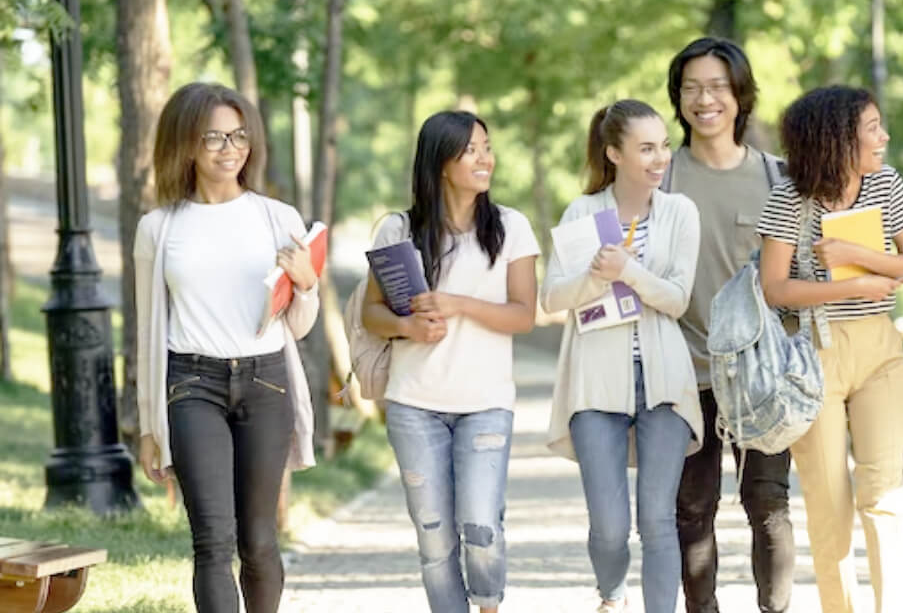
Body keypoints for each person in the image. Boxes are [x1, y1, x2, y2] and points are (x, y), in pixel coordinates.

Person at [135, 82, 319, 613]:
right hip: (191, 384)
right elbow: (149, 330)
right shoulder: (158, 228)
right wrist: (149, 426)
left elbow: (299, 326)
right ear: (185, 144)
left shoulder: (277, 218)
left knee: (258, 541)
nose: (228, 148)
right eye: (213, 136)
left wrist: (305, 282)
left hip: (265, 382)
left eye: (238, 135)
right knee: (211, 542)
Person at [757, 86, 903, 613]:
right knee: (829, 502)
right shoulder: (790, 199)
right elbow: (774, 289)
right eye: (872, 128)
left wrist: (857, 255)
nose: (885, 137)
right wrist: (850, 286)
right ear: (836, 140)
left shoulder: (886, 184)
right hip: (813, 354)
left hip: (879, 347)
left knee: (883, 491)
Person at [361, 110, 540, 613]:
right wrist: (409, 327)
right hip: (414, 406)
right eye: (471, 150)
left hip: (486, 404)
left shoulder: (511, 227)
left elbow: (524, 315)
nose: (486, 158)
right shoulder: (399, 229)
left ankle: (488, 606)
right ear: (441, 163)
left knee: (481, 526)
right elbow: (372, 314)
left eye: (487, 146)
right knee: (435, 538)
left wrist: (458, 304)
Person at [543, 100, 703, 613]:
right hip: (595, 380)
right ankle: (611, 594)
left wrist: (628, 270)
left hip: (664, 378)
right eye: (646, 148)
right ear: (614, 153)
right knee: (609, 528)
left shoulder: (680, 212)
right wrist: (594, 276)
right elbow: (550, 298)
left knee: (656, 517)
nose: (660, 159)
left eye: (663, 146)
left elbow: (677, 299)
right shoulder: (581, 213)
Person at [662, 37, 795, 613]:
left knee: (768, 503)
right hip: (681, 372)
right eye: (690, 88)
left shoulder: (777, 177)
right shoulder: (659, 177)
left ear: (740, 95)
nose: (703, 99)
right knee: (691, 509)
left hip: (760, 375)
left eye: (716, 86)